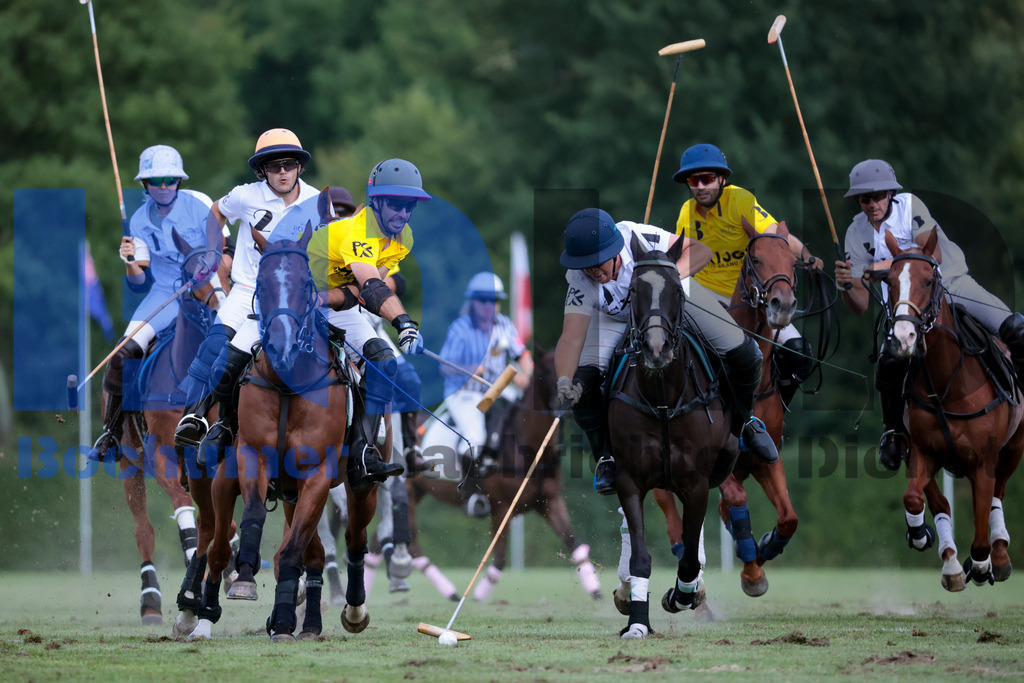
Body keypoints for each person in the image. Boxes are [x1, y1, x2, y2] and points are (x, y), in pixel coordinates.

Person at [554, 208, 778, 496]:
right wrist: (563, 381)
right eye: (586, 265)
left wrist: (667, 276)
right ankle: (606, 459)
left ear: (615, 250)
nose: (594, 271)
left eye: (598, 263)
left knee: (746, 354)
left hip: (670, 297)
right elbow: (571, 337)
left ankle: (744, 422)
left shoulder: (640, 237)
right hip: (613, 318)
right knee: (581, 387)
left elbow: (702, 251)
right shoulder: (579, 278)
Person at [834, 159, 1024, 470]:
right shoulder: (855, 233)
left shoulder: (910, 206)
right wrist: (845, 286)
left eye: (878, 196)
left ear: (891, 193)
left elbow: (930, 255)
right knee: (888, 364)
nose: (872, 204)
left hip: (952, 286)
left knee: (1016, 330)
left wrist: (870, 270)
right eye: (864, 198)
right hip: (905, 314)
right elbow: (860, 305)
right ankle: (893, 432)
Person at [174, 128, 321, 466]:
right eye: (273, 166)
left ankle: (357, 442)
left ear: (299, 166)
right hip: (246, 291)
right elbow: (215, 211)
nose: (281, 172)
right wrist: (214, 251)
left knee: (343, 357)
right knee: (215, 349)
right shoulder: (245, 196)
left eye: (288, 164)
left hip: (294, 298)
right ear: (262, 171)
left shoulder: (316, 202)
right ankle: (198, 417)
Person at [302, 158, 433, 491]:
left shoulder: (404, 238)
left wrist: (400, 324)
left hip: (336, 304)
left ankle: (363, 453)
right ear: (376, 201)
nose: (403, 214)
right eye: (396, 204)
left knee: (385, 362)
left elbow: (365, 292)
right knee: (242, 351)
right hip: (296, 301)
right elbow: (372, 286)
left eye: (409, 206)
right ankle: (216, 427)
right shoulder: (357, 231)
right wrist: (403, 321)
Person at [89, 144, 219, 462]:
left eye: (169, 180)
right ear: (145, 184)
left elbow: (222, 248)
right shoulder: (138, 220)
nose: (163, 187)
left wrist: (208, 276)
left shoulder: (200, 204)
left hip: (208, 285)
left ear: (179, 181)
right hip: (164, 295)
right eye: (156, 180)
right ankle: (114, 432)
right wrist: (130, 260)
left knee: (243, 342)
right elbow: (138, 282)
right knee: (123, 354)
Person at [673, 143, 820, 407]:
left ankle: (778, 408)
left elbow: (777, 236)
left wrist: (807, 257)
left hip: (748, 297)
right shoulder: (686, 212)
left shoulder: (740, 200)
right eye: (694, 180)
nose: (700, 186)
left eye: (707, 179)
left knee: (799, 353)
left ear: (722, 179)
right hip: (706, 296)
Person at [437, 272, 533, 517]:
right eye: (484, 300)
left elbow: (522, 355)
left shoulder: (504, 324)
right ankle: (472, 495)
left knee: (528, 418)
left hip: (497, 390)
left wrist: (525, 376)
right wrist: (468, 368)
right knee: (474, 439)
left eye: (494, 300)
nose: (489, 306)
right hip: (465, 394)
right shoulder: (460, 328)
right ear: (473, 302)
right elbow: (444, 366)